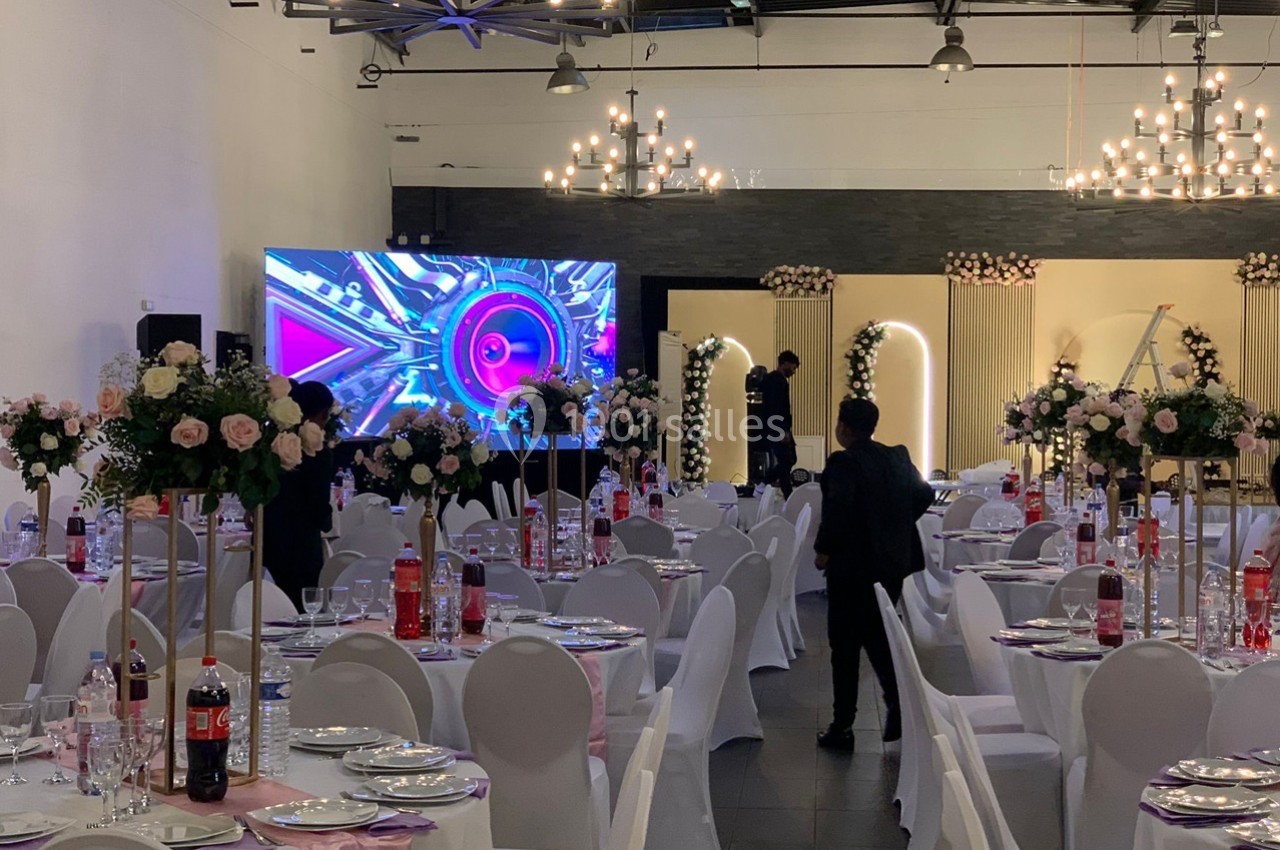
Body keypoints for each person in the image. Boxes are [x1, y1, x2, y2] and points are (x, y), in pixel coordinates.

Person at [813, 397, 934, 751]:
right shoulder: (897, 456)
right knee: (876, 635)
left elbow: (837, 510)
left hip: (851, 567)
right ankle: (897, 704)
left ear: (844, 428)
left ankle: (843, 725)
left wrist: (823, 551)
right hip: (891, 564)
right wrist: (893, 526)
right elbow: (924, 494)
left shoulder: (843, 463)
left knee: (845, 646)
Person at [263, 381, 336, 609]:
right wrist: (327, 521)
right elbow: (318, 504)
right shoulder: (318, 453)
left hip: (269, 540)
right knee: (304, 610)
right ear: (323, 414)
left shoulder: (273, 444)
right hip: (301, 545)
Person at [759, 351, 800, 497]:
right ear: (785, 363)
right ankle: (781, 491)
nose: (794, 372)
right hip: (777, 426)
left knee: (787, 459)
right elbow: (778, 407)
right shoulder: (777, 381)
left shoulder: (773, 380)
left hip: (775, 425)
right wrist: (782, 430)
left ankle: (768, 485)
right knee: (786, 460)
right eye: (793, 367)